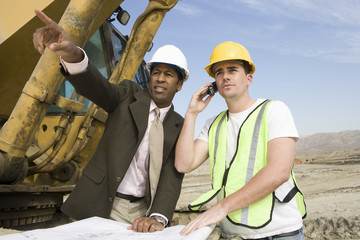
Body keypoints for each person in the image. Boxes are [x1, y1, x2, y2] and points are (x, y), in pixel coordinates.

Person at [33, 9, 189, 233]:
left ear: (179, 84)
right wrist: (72, 54)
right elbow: (98, 88)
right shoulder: (128, 94)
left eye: (169, 74)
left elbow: (172, 176)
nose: (160, 78)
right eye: (156, 72)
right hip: (102, 203)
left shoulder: (178, 125)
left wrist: (158, 216)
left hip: (142, 212)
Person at [175, 41, 306, 239]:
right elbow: (183, 164)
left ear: (249, 78)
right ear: (215, 84)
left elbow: (279, 171)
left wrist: (222, 207)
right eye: (219, 72)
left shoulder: (274, 110)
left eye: (232, 70)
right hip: (233, 234)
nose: (225, 76)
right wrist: (191, 113)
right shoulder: (213, 124)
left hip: (279, 233)